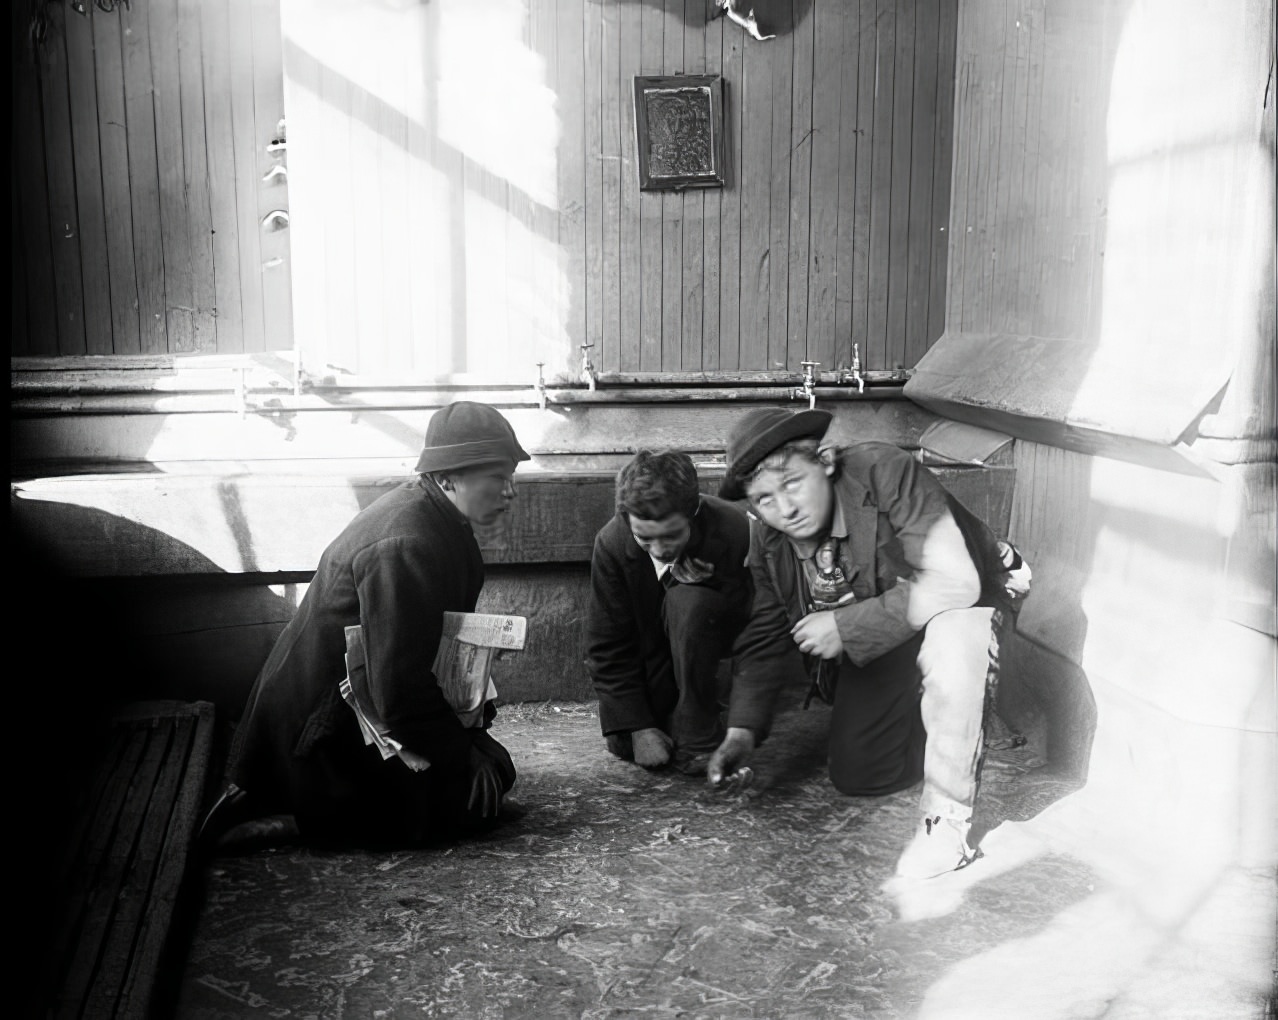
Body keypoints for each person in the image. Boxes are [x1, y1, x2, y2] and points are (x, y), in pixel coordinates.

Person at [707, 408, 1030, 882]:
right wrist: (741, 731)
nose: (785, 509)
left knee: (956, 637)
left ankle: (946, 822)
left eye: (792, 483)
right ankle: (939, 713)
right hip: (887, 620)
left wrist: (844, 627)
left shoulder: (885, 470)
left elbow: (953, 581)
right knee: (860, 774)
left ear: (826, 460)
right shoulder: (771, 536)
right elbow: (766, 628)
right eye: (765, 500)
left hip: (966, 595)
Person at [200, 401, 529, 850]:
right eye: (497, 477)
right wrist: (460, 751)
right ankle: (300, 817)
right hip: (325, 730)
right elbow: (396, 690)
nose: (510, 492)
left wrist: (467, 736)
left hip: (366, 710)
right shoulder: (406, 541)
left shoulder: (441, 520)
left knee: (495, 767)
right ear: (448, 477)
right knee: (472, 799)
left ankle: (314, 805)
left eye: (510, 476)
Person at [585, 450, 753, 775]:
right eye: (645, 538)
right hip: (651, 675)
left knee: (691, 602)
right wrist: (638, 727)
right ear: (626, 517)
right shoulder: (612, 542)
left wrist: (713, 584)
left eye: (672, 535)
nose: (661, 550)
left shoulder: (732, 529)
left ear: (695, 512)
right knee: (633, 746)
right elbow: (607, 646)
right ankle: (664, 723)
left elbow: (751, 622)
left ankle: (700, 726)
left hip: (711, 675)